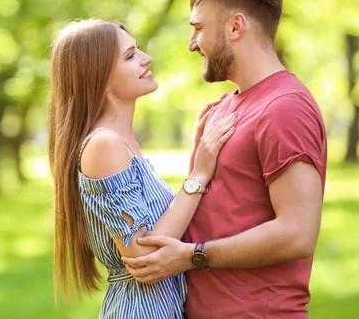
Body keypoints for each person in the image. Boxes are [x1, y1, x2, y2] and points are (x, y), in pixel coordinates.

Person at [121, 0, 328, 318]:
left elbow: (297, 233)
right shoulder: (220, 109)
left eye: (198, 28)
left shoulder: (286, 108)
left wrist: (193, 255)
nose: (191, 44)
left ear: (235, 26)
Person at [48, 18, 236, 318]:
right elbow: (147, 257)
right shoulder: (104, 146)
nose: (146, 58)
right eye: (131, 55)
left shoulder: (122, 143)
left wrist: (198, 156)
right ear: (100, 78)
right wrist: (199, 174)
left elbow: (160, 227)